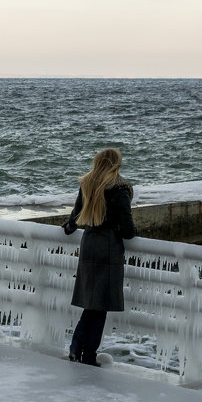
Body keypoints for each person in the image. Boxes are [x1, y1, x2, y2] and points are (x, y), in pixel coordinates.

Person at [62, 147, 137, 366]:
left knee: (91, 303)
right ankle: (88, 354)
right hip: (108, 248)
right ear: (116, 164)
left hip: (89, 243)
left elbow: (74, 219)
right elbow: (128, 231)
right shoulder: (120, 188)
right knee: (99, 305)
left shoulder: (87, 183)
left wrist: (67, 228)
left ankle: (77, 349)